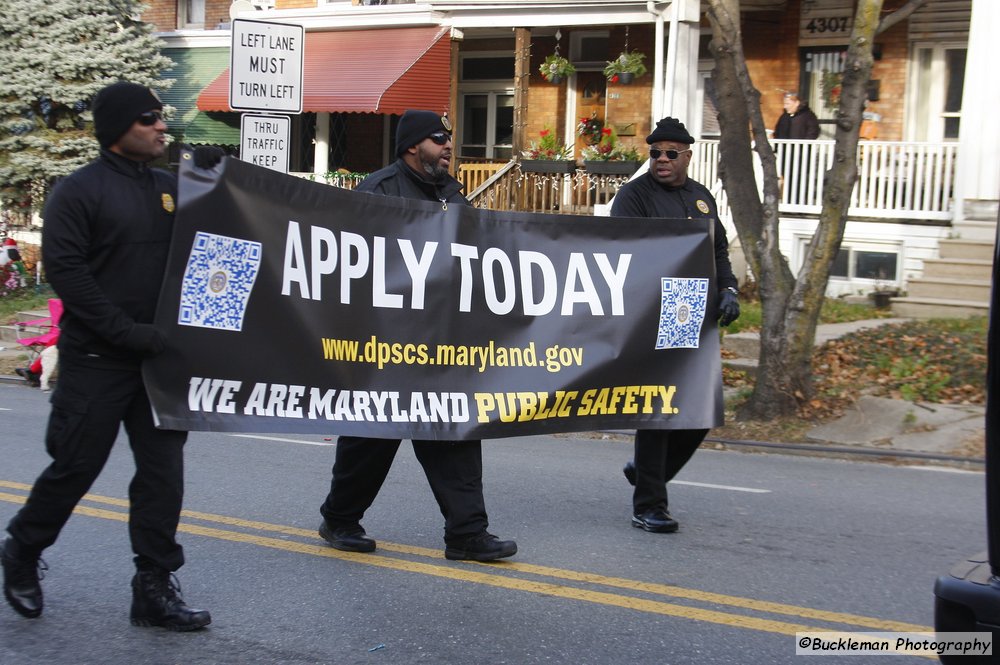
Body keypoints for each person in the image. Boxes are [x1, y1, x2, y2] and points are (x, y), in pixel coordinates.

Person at [2, 82, 218, 629]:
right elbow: (69, 276)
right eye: (150, 119)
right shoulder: (78, 193)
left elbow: (224, 234)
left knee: (161, 478)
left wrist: (219, 180)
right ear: (119, 128)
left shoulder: (170, 188)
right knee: (75, 466)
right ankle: (21, 552)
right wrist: (125, 332)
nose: (161, 127)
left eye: (161, 118)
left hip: (158, 364)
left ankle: (153, 587)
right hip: (98, 359)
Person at [318, 110, 516, 562]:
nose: (448, 146)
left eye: (449, 138)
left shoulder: (452, 192)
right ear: (411, 146)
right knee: (370, 442)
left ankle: (467, 534)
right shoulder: (378, 191)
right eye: (438, 139)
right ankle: (340, 518)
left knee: (453, 434)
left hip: (441, 346)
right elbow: (353, 267)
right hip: (386, 346)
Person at [610, 116, 740, 534]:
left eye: (670, 153)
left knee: (700, 410)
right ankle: (649, 505)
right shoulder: (634, 196)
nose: (661, 160)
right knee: (660, 408)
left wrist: (731, 289)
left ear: (687, 155)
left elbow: (717, 248)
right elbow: (621, 256)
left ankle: (649, 470)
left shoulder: (702, 198)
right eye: (654, 153)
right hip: (654, 310)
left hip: (697, 309)